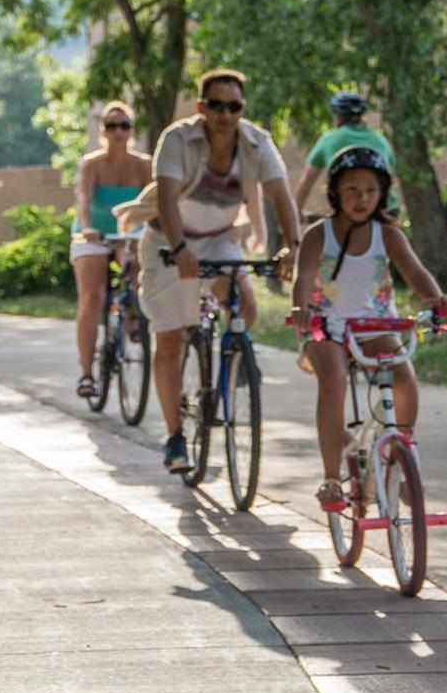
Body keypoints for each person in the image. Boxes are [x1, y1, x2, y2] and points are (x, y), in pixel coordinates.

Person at [113, 68, 304, 472]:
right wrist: (180, 247)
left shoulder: (256, 143)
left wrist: (294, 246)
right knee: (170, 339)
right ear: (201, 107)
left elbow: (280, 194)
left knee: (244, 306)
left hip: (219, 237)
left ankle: (229, 368)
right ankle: (175, 437)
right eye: (216, 105)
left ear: (242, 109)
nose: (225, 114)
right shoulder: (178, 139)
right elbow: (165, 196)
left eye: (234, 106)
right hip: (169, 239)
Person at [290, 146, 447, 512]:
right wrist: (301, 309)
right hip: (327, 325)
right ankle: (331, 478)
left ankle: (401, 453)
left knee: (403, 374)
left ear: (382, 194)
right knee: (333, 380)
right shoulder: (319, 234)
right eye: (352, 189)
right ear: (335, 192)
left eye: (370, 190)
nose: (362, 198)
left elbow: (415, 273)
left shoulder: (388, 235)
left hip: (375, 324)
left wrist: (437, 301)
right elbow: (303, 276)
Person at [70, 101, 152, 398]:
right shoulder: (92, 164)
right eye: (113, 126)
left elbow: (151, 202)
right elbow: (82, 198)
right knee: (92, 298)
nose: (119, 132)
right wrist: (88, 227)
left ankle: (133, 316)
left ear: (131, 130)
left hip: (128, 231)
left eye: (125, 126)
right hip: (93, 233)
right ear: (103, 130)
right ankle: (87, 374)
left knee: (139, 269)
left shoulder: (143, 164)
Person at [294, 90, 398, 217]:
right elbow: (389, 176)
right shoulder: (381, 140)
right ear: (360, 116)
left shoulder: (329, 139)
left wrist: (296, 211)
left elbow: (307, 180)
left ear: (338, 116)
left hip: (349, 208)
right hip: (384, 209)